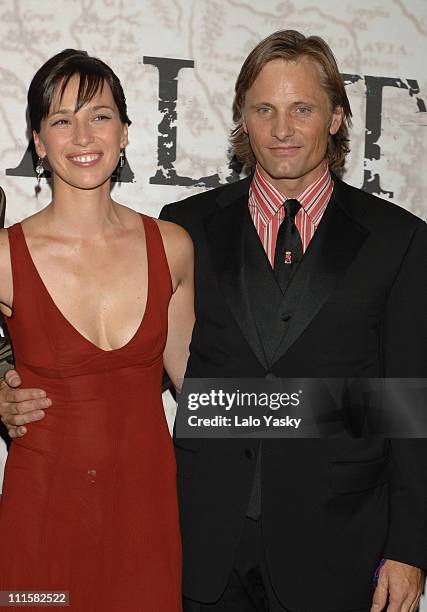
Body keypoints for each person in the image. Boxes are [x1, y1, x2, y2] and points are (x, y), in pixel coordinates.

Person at [2, 30, 427, 612]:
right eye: (264, 109)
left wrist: (409, 547)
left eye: (301, 108)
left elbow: (407, 403)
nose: (282, 128)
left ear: (335, 117)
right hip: (205, 540)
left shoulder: (398, 240)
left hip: (335, 541)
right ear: (242, 121)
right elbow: (191, 376)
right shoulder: (190, 227)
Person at [0, 49, 194, 611]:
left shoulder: (173, 247)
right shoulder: (6, 258)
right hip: (42, 519)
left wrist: (348, 410)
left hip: (146, 515)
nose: (83, 134)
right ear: (39, 141)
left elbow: (201, 390)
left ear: (126, 131)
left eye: (100, 115)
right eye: (61, 119)